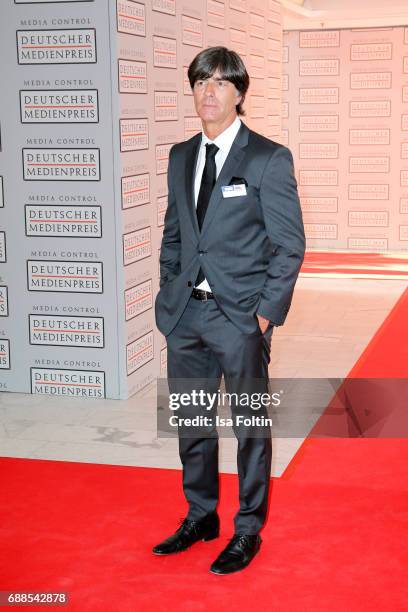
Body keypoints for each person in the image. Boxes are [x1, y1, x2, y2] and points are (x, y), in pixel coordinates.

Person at [154, 46, 305, 574]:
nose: (208, 93)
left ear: (240, 94)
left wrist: (263, 315)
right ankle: (200, 516)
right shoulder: (179, 156)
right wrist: (169, 290)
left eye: (220, 83)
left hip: (239, 318)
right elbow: (174, 235)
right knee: (192, 421)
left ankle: (247, 529)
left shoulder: (267, 157)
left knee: (248, 427)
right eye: (199, 83)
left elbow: (290, 246)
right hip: (186, 317)